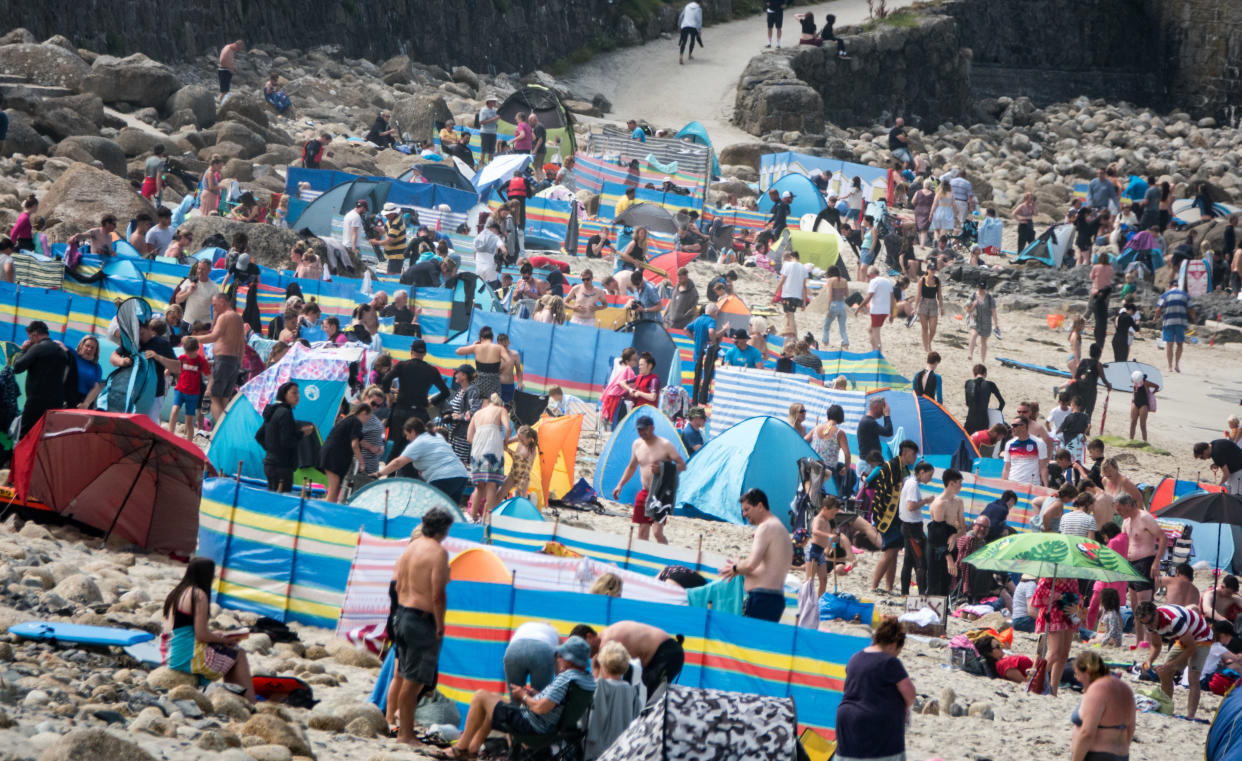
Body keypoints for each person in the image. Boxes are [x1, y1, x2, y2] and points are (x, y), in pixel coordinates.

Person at [389, 508, 453, 746]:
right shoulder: (437, 552)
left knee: (406, 676)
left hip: (401, 616)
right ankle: (405, 734)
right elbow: (437, 595)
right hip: (420, 619)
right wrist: (439, 625)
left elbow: (397, 587)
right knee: (413, 681)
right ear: (444, 529)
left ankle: (405, 730)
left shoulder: (410, 548)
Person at [162, 557, 253, 700]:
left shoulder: (178, 591)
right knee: (238, 653)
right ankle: (249, 701)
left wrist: (217, 636)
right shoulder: (198, 595)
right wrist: (223, 639)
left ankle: (235, 696)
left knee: (228, 653)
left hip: (170, 652)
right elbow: (201, 635)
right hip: (187, 656)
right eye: (213, 574)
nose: (214, 577)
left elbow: (186, 630)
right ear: (205, 575)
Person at [834, 619, 915, 761]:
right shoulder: (890, 662)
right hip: (877, 726)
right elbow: (909, 693)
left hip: (846, 720)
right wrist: (904, 708)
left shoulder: (855, 658)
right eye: (898, 651)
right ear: (894, 645)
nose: (897, 654)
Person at [720, 488, 793, 622]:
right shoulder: (779, 528)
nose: (744, 514)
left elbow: (751, 564)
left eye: (747, 509)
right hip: (774, 599)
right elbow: (768, 564)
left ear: (759, 506)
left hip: (763, 599)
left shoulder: (765, 527)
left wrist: (735, 569)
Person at [611, 414, 686, 544]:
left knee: (657, 532)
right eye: (639, 430)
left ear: (652, 428)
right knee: (642, 532)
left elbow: (682, 465)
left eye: (644, 429)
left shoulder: (665, 445)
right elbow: (631, 466)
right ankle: (641, 559)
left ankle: (664, 556)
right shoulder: (637, 444)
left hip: (661, 494)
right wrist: (620, 484)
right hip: (645, 491)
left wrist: (663, 469)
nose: (642, 433)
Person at [1136, 601, 1212, 720]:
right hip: (1183, 637)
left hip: (1201, 636)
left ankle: (1190, 715)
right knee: (1164, 672)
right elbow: (1156, 645)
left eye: (1151, 622)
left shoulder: (1173, 620)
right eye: (1145, 624)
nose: (1150, 626)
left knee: (1193, 677)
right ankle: (1167, 707)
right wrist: (1149, 660)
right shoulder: (1149, 623)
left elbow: (1192, 648)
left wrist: (1171, 664)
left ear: (1156, 613)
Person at [868, 440, 920, 595]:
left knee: (895, 551)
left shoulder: (903, 469)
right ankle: (874, 585)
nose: (915, 457)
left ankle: (889, 586)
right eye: (913, 454)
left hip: (898, 515)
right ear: (905, 453)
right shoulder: (890, 467)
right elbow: (883, 493)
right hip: (887, 515)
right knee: (889, 551)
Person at [375, 418, 470, 502]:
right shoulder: (436, 436)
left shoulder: (418, 442)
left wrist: (379, 474)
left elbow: (398, 463)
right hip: (461, 475)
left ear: (412, 431)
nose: (407, 438)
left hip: (443, 477)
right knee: (449, 513)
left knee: (431, 511)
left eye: (407, 435)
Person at [1070, 650, 1136, 761]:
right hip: (1122, 754)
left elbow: (1087, 733)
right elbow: (1131, 728)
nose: (1077, 679)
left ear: (1086, 671)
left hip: (1097, 755)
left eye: (1077, 674)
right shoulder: (1125, 688)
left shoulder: (1097, 690)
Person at [1118, 493, 1165, 645]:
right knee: (1133, 605)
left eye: (1120, 509)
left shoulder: (1144, 517)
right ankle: (1139, 641)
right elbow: (1124, 543)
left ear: (1128, 505)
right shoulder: (1126, 521)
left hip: (1145, 562)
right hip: (1131, 564)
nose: (1118, 512)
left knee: (1144, 605)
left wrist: (1156, 562)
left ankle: (1149, 640)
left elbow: (1163, 537)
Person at [592, 620, 684, 698]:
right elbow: (598, 674)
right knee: (639, 694)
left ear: (589, 636)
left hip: (667, 653)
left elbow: (604, 682)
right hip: (660, 654)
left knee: (650, 698)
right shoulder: (604, 639)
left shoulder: (607, 641)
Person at [13, 321, 68, 439]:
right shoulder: (61, 351)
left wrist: (23, 350)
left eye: (30, 337)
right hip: (56, 402)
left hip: (36, 401)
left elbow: (18, 367)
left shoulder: (37, 348)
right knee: (46, 437)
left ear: (35, 335)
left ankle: (22, 458)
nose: (30, 340)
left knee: (26, 434)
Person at [197, 291, 244, 424]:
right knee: (224, 398)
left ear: (222, 302)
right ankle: (226, 430)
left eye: (215, 305)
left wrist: (193, 338)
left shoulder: (224, 317)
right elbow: (242, 343)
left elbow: (213, 337)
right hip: (234, 362)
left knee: (214, 397)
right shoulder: (238, 318)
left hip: (223, 360)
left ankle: (220, 431)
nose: (214, 308)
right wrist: (239, 363)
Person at [1031, 571, 1080, 696]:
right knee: (1054, 653)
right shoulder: (1049, 573)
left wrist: (1077, 606)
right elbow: (1039, 594)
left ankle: (1053, 691)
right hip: (1052, 612)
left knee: (1064, 654)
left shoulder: (1073, 575)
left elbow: (1078, 596)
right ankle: (1035, 683)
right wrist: (1060, 596)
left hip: (1067, 613)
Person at [258, 382, 314, 492]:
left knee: (272, 494)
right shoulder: (285, 413)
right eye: (293, 393)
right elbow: (287, 440)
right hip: (282, 466)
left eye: (298, 393)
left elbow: (260, 436)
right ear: (284, 394)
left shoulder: (274, 410)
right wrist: (302, 433)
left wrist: (271, 449)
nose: (297, 396)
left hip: (270, 463)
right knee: (281, 500)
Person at [466, 393, 509, 521]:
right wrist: (505, 442)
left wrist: (481, 441)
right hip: (492, 450)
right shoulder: (501, 410)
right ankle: (487, 517)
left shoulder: (477, 414)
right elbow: (508, 429)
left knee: (479, 486)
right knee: (491, 484)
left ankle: (472, 516)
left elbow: (469, 437)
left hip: (477, 451)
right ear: (499, 403)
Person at [319, 402, 372, 503]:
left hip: (331, 454)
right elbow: (354, 444)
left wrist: (371, 447)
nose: (366, 422)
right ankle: (328, 511)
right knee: (334, 488)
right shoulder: (356, 422)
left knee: (335, 487)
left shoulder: (349, 420)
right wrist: (361, 463)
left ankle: (331, 507)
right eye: (368, 418)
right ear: (364, 413)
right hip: (333, 457)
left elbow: (358, 441)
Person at [897, 462, 934, 597]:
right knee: (921, 562)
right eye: (929, 475)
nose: (930, 479)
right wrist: (925, 501)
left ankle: (904, 592)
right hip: (912, 528)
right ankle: (922, 593)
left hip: (909, 526)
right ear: (922, 472)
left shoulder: (910, 482)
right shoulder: (912, 484)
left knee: (908, 561)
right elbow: (911, 506)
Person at [926, 468, 965, 596]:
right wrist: (948, 558)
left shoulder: (959, 502)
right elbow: (936, 534)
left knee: (946, 583)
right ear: (951, 483)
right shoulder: (939, 503)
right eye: (959, 483)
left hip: (951, 545)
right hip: (938, 548)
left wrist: (954, 535)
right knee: (934, 583)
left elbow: (962, 528)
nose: (961, 486)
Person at [168, 336, 210, 442]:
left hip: (193, 393)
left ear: (196, 350)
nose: (188, 355)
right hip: (180, 389)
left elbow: (210, 375)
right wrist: (168, 372)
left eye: (190, 353)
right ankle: (169, 435)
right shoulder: (182, 358)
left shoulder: (201, 361)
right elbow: (173, 367)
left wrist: (209, 388)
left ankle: (189, 442)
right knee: (174, 411)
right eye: (187, 352)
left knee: (189, 420)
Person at [1155, 281, 1193, 373]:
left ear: (1170, 286)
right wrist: (1193, 318)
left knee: (1169, 345)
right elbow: (1191, 308)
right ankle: (1177, 365)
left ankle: (1169, 367)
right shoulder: (1185, 295)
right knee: (1180, 344)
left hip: (1168, 322)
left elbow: (1159, 308)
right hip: (1181, 322)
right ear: (1177, 286)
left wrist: (1155, 317)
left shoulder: (1165, 295)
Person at [855, 267, 894, 351]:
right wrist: (891, 313)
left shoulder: (874, 281)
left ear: (872, 274)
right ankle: (874, 350)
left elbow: (869, 296)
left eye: (868, 276)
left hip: (877, 311)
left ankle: (878, 354)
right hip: (885, 311)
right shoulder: (888, 282)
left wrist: (859, 307)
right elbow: (892, 299)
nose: (868, 278)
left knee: (876, 334)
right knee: (870, 330)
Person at [1001, 416, 1048, 486]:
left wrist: (1046, 485)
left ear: (1023, 426)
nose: (1012, 428)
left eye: (1015, 425)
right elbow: (1006, 468)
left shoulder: (1039, 443)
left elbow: (1043, 467)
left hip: (1032, 484)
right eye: (1012, 425)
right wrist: (1002, 484)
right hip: (1012, 483)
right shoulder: (1009, 444)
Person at [775, 251, 809, 339]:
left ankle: (794, 336)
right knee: (788, 315)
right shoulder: (803, 268)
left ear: (791, 257)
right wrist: (804, 302)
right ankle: (786, 334)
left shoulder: (787, 265)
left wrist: (774, 293)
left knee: (790, 316)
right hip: (797, 296)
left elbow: (781, 281)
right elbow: (804, 287)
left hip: (788, 295)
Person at [963, 364, 1004, 434]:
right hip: (983, 419)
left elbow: (967, 403)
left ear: (974, 373)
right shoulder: (990, 384)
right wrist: (997, 412)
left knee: (966, 441)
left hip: (970, 418)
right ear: (985, 373)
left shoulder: (968, 383)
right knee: (981, 442)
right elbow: (1002, 402)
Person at [855, 398, 893, 470]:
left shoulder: (867, 421)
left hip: (868, 463)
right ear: (876, 407)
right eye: (882, 408)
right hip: (868, 465)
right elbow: (888, 432)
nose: (883, 411)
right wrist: (887, 415)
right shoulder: (869, 422)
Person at [966, 283, 999, 362]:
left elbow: (993, 312)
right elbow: (967, 310)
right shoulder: (973, 296)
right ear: (977, 288)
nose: (982, 290)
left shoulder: (989, 298)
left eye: (983, 288)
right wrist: (973, 305)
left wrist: (996, 324)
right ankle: (970, 354)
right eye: (980, 288)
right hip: (974, 319)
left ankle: (983, 360)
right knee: (973, 334)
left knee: (983, 341)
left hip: (986, 322)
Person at [822, 264, 851, 348]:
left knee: (826, 326)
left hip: (834, 304)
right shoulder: (844, 280)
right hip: (842, 305)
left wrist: (828, 308)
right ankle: (845, 342)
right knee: (842, 327)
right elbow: (847, 294)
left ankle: (825, 341)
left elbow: (830, 295)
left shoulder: (831, 280)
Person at [216, 40, 243, 104]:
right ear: (235, 45)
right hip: (224, 71)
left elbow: (227, 61)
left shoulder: (230, 49)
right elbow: (222, 61)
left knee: (225, 90)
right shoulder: (227, 50)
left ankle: (220, 102)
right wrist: (230, 68)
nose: (237, 50)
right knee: (224, 90)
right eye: (238, 48)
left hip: (226, 71)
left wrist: (232, 68)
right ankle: (221, 104)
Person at [478, 96, 500, 164]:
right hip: (485, 132)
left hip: (493, 132)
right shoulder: (484, 110)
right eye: (493, 101)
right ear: (489, 102)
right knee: (484, 149)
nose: (495, 102)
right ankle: (482, 163)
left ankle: (490, 163)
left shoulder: (494, 110)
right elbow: (481, 122)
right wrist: (493, 119)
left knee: (492, 150)